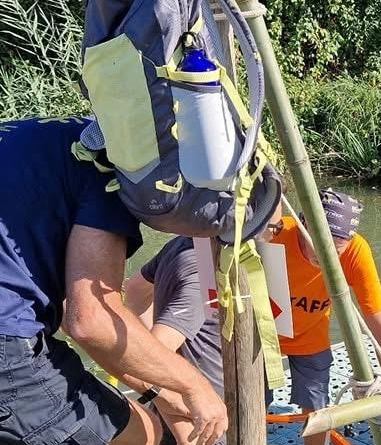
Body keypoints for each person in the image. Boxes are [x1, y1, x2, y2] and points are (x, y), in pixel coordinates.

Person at [0, 117, 227, 445]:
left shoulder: (38, 138)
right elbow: (93, 322)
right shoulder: (111, 171)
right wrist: (194, 386)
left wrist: (159, 389)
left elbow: (72, 313)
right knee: (144, 434)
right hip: (9, 347)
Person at [265, 189, 381, 445]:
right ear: (304, 225)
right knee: (252, 404)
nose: (324, 257)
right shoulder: (275, 235)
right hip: (262, 334)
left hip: (311, 335)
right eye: (317, 244)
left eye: (336, 250)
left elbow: (380, 324)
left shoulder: (356, 251)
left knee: (318, 408)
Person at [124, 237, 225, 445]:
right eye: (273, 228)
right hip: (207, 424)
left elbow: (135, 290)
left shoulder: (184, 243)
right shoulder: (205, 274)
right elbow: (146, 363)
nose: (276, 233)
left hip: (181, 418)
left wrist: (148, 336)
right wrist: (185, 432)